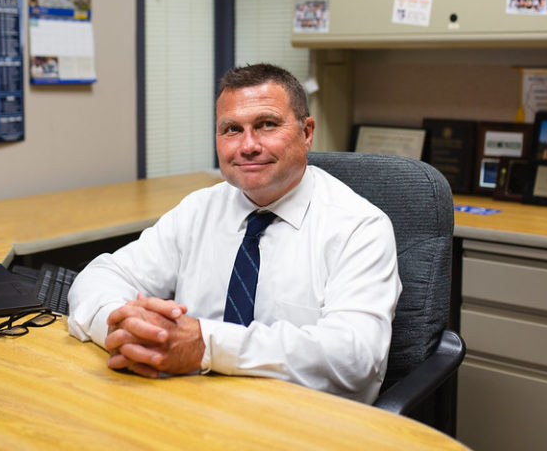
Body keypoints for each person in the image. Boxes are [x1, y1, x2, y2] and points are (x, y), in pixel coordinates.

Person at [67, 63, 401, 403]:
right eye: (231, 129)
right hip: (192, 408)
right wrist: (124, 327)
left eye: (266, 124)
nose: (248, 145)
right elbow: (102, 275)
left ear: (307, 132)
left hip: (305, 422)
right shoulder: (200, 209)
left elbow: (355, 357)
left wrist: (207, 345)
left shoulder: (360, 227)